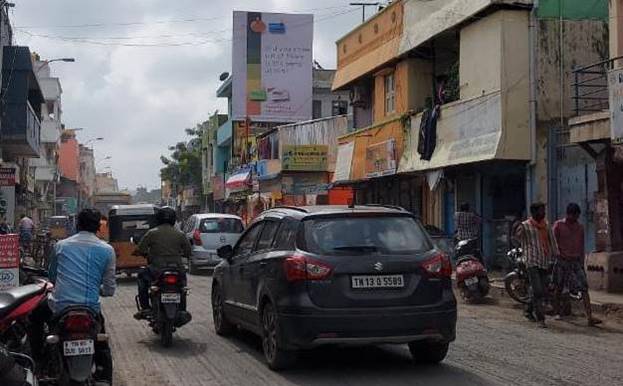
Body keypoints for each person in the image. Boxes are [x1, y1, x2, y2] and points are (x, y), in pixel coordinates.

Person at [29, 208, 115, 383]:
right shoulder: (107, 250)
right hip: (89, 309)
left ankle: (37, 360)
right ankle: (104, 376)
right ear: (98, 226)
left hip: (59, 307)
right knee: (102, 344)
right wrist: (96, 289)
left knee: (35, 316)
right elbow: (109, 289)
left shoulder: (61, 246)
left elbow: (52, 277)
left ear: (77, 224)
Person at [134, 207, 191, 320]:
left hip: (156, 269)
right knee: (182, 286)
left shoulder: (152, 233)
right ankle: (182, 309)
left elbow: (140, 249)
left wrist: (139, 252)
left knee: (141, 277)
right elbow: (188, 251)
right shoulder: (180, 234)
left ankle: (145, 307)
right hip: (177, 268)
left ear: (158, 219)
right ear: (174, 219)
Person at [552, 203, 601, 326]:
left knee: (584, 287)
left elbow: (581, 246)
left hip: (575, 262)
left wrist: (581, 262)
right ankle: (557, 312)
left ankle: (589, 317)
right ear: (569, 214)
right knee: (559, 287)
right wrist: (557, 254)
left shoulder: (580, 228)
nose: (576, 219)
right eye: (574, 216)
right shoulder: (558, 225)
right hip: (562, 261)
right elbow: (553, 242)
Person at [515, 202, 559, 328]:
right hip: (531, 261)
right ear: (534, 212)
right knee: (538, 291)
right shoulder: (525, 226)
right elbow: (517, 238)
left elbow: (552, 241)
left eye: (543, 210)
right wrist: (517, 231)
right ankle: (541, 319)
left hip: (544, 261)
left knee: (543, 289)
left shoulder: (546, 225)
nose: (543, 213)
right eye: (541, 210)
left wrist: (556, 254)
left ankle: (528, 310)